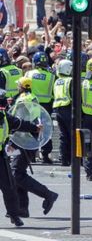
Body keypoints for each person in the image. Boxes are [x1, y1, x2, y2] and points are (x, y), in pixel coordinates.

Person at [10, 79, 58, 218]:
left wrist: (13, 141)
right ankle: (22, 208)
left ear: (21, 87)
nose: (16, 87)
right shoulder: (31, 97)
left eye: (17, 85)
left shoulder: (23, 100)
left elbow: (20, 121)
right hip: (26, 139)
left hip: (25, 139)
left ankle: (48, 194)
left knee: (16, 173)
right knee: (18, 172)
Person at [0, 88, 44, 227]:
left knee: (9, 187)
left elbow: (19, 123)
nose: (5, 102)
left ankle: (14, 215)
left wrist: (35, 128)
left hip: (1, 156)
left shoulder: (4, 116)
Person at [25, 51, 55, 163]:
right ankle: (46, 156)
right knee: (46, 130)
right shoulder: (51, 76)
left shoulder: (28, 74)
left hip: (32, 104)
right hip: (46, 105)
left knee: (32, 128)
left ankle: (31, 155)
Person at [53, 59, 73, 166]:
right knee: (72, 135)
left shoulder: (57, 81)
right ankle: (74, 159)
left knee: (63, 136)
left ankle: (64, 159)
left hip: (58, 110)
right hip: (68, 109)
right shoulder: (70, 80)